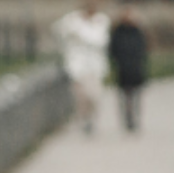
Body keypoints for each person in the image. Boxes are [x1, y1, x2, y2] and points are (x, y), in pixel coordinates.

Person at [55, 0, 111, 134]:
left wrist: (79, 32)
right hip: (77, 66)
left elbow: (100, 40)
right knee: (82, 97)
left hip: (95, 67)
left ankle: (90, 118)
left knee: (95, 96)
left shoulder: (101, 20)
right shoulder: (72, 20)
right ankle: (84, 119)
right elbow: (59, 31)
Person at [108, 5, 148, 133]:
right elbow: (112, 51)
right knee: (125, 97)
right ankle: (128, 118)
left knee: (136, 97)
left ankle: (135, 117)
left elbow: (143, 51)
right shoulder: (117, 33)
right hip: (123, 70)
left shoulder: (138, 32)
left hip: (136, 70)